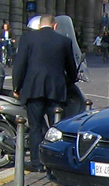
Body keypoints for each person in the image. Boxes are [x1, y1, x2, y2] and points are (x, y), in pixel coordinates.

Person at [12, 13, 78, 176]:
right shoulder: (64, 41)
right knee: (56, 127)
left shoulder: (28, 38)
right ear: (55, 25)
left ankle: (37, 162)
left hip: (33, 89)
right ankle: (55, 161)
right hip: (55, 90)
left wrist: (16, 87)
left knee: (35, 127)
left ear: (40, 25)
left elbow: (19, 65)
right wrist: (70, 81)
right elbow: (71, 68)